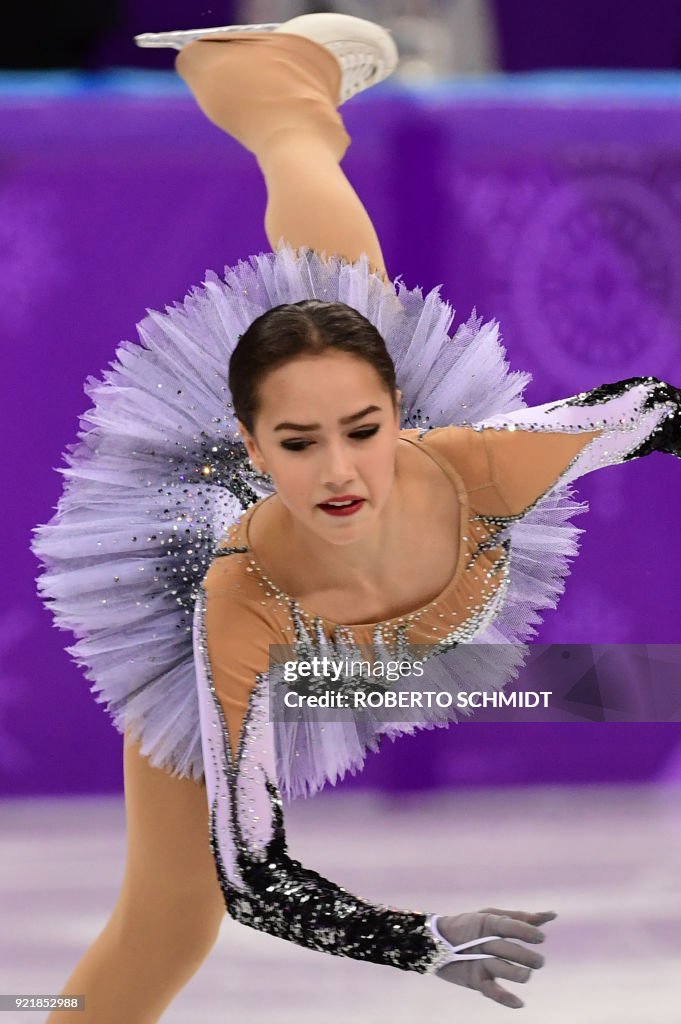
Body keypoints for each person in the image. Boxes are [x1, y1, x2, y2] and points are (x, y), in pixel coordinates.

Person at [31, 13, 680, 1024]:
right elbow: (256, 877)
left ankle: (280, 99)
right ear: (255, 450)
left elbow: (660, 410)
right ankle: (282, 100)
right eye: (297, 445)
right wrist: (415, 942)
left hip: (392, 616)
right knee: (171, 920)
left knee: (348, 316)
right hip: (257, 634)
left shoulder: (473, 467)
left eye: (365, 430)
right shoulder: (231, 606)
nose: (340, 471)